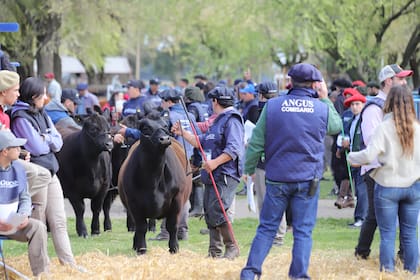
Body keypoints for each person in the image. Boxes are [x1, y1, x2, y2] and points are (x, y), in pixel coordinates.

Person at [240, 63, 342, 280]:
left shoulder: (273, 106)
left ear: (290, 81)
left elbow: (256, 142)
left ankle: (250, 273)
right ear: (315, 84)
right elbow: (335, 127)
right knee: (303, 231)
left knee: (267, 228)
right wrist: (324, 97)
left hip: (277, 177)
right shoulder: (321, 107)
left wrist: (248, 169)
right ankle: (299, 276)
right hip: (308, 179)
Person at [10, 77, 84, 271]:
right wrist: (47, 139)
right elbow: (35, 146)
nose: (46, 98)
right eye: (43, 95)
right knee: (40, 222)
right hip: (37, 171)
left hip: (51, 171)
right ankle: (43, 268)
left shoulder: (43, 113)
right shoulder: (20, 117)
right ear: (34, 96)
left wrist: (46, 138)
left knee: (59, 220)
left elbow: (57, 141)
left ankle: (69, 264)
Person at [348, 85, 420, 274]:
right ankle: (411, 273)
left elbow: (368, 155)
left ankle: (387, 273)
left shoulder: (384, 128)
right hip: (413, 187)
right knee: (410, 234)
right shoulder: (417, 128)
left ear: (389, 103)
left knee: (387, 234)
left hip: (387, 186)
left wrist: (351, 157)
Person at [172, 86, 244, 259]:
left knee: (218, 209)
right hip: (213, 174)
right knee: (210, 211)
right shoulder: (218, 120)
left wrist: (214, 163)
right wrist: (183, 133)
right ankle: (214, 252)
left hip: (225, 173)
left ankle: (232, 247)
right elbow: (201, 142)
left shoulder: (232, 120)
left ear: (215, 101)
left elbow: (233, 149)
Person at [354, 64, 413, 260]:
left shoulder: (399, 106)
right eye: (401, 78)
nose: (405, 82)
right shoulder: (373, 108)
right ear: (389, 81)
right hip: (377, 171)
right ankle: (362, 252)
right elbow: (372, 143)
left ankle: (402, 255)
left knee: (400, 217)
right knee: (374, 216)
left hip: (397, 171)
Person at [0, 70, 50, 224]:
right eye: (15, 90)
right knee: (39, 173)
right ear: (3, 92)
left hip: (7, 160)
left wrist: (19, 152)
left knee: (42, 174)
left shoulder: (6, 116)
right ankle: (11, 203)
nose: (18, 94)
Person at [0, 130, 50, 277]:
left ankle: (41, 275)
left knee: (38, 227)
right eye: (15, 147)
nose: (20, 150)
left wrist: (23, 215)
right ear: (4, 151)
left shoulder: (18, 169)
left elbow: (25, 197)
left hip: (11, 220)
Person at [252, 81, 287, 246]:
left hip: (265, 162)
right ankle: (273, 235)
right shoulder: (283, 109)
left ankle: (275, 236)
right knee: (274, 200)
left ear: (260, 95)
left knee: (265, 201)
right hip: (279, 161)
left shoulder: (259, 111)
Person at [336, 89, 368, 227]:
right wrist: (345, 144)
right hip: (354, 158)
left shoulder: (366, 120)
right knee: (358, 189)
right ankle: (359, 217)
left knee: (362, 190)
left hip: (363, 159)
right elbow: (349, 137)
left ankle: (361, 218)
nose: (355, 107)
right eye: (352, 105)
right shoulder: (352, 120)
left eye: (357, 104)